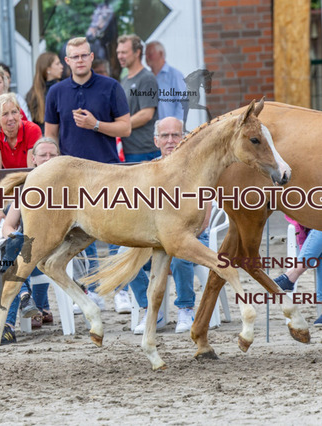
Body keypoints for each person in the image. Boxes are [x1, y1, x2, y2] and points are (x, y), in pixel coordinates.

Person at [45, 36, 131, 311]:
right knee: (81, 235)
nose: (80, 60)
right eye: (75, 56)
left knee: (118, 231)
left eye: (84, 55)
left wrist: (96, 125)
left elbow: (125, 128)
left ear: (92, 57)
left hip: (109, 171)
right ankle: (92, 291)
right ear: (67, 61)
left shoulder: (111, 87)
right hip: (73, 177)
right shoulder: (56, 92)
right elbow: (50, 136)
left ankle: (121, 290)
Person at [129, 117, 211, 334]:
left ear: (184, 138)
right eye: (164, 136)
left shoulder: (197, 170)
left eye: (175, 135)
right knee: (124, 253)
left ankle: (186, 308)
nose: (170, 140)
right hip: (155, 239)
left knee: (180, 252)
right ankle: (151, 311)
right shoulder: (147, 170)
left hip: (193, 236)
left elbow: (204, 219)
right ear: (156, 141)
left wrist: (176, 239)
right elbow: (139, 214)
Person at [0, 138, 60, 344]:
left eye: (52, 155)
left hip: (52, 254)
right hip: (27, 254)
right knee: (15, 243)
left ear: (59, 158)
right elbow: (7, 226)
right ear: (33, 159)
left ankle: (9, 324)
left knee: (14, 256)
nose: (48, 159)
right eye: (43, 155)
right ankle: (25, 296)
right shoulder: (26, 188)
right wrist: (15, 236)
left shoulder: (66, 189)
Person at [117, 34, 160, 162]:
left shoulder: (147, 78)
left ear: (137, 53)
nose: (120, 56)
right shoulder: (124, 80)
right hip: (127, 150)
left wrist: (118, 127)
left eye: (124, 52)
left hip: (144, 151)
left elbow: (146, 114)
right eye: (118, 52)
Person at [0, 93, 41, 169]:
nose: (11, 118)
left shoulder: (32, 130)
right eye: (5, 114)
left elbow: (31, 169)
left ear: (20, 113)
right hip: (7, 176)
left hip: (30, 175)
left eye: (14, 112)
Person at [145, 41, 186, 120]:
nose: (146, 57)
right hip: (150, 127)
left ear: (160, 54)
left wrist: (175, 123)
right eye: (145, 55)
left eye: (149, 54)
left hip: (170, 126)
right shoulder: (146, 78)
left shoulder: (175, 75)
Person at [26, 52, 64, 132]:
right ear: (48, 69)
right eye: (57, 64)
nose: (62, 66)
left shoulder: (32, 93)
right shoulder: (34, 95)